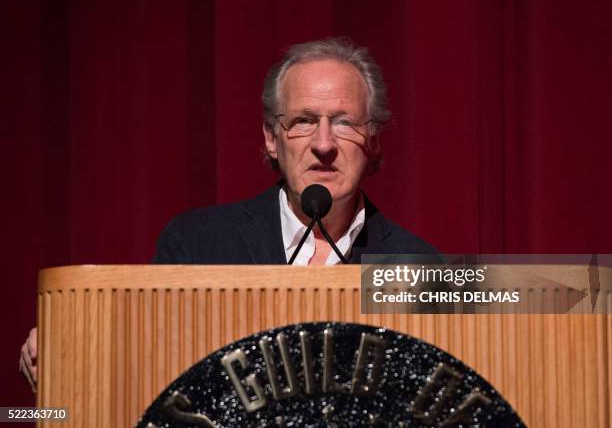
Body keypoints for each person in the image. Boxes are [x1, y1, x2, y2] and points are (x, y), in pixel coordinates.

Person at [19, 37, 437, 391]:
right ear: (273, 139)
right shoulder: (197, 242)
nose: (323, 143)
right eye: (304, 121)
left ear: (374, 140)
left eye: (344, 122)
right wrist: (69, 344)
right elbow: (139, 342)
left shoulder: (421, 268)